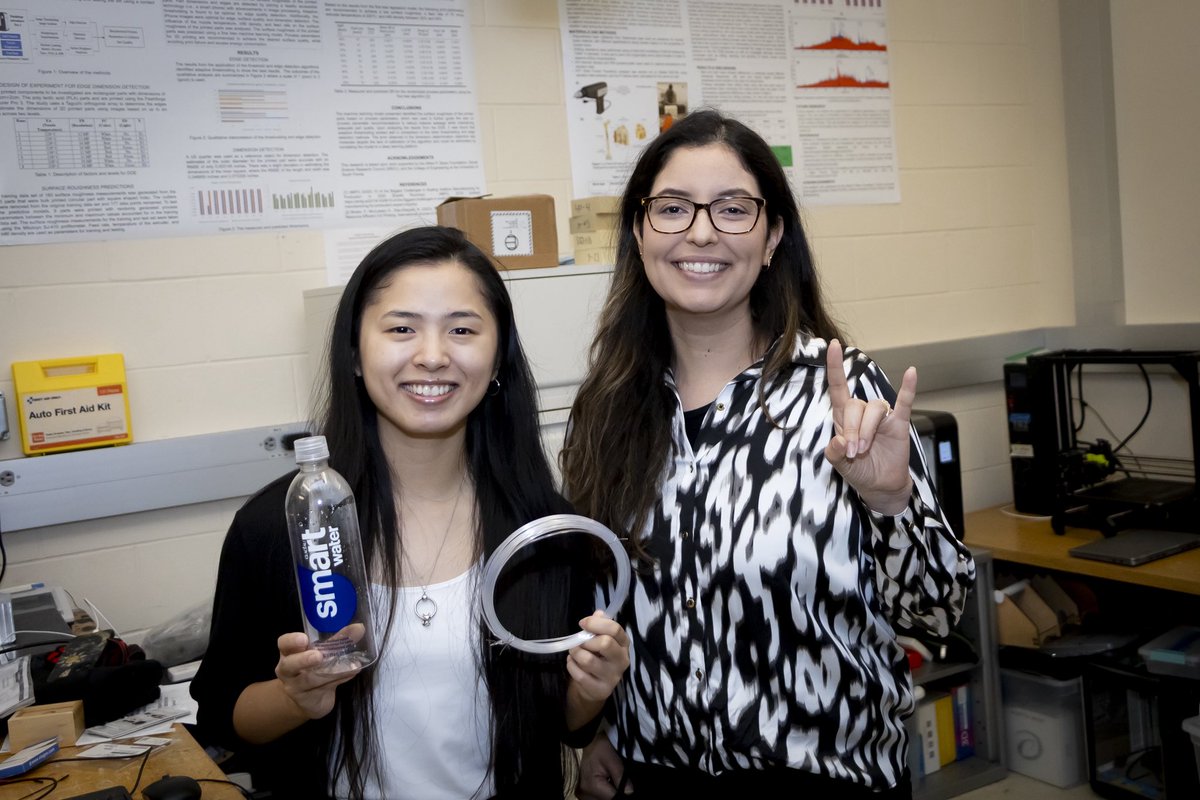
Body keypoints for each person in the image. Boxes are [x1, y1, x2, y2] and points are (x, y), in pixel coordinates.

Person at [560, 110, 975, 798]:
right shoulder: (607, 408)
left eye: (732, 209)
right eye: (671, 208)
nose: (700, 232)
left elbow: (937, 612)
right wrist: (606, 724)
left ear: (773, 234)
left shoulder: (839, 396)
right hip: (652, 778)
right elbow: (600, 611)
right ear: (639, 231)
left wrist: (890, 502)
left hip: (822, 779)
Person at [192, 226, 629, 799]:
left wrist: (591, 692)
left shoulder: (543, 532)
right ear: (355, 351)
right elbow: (226, 718)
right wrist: (295, 698)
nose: (431, 356)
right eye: (401, 328)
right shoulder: (281, 525)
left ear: (498, 358)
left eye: (462, 330)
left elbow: (564, 726)